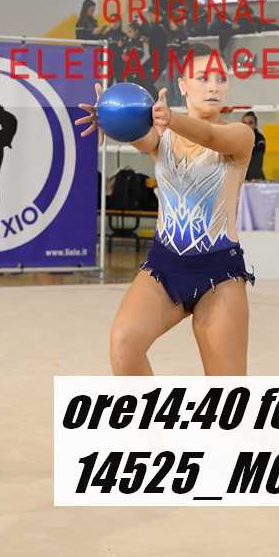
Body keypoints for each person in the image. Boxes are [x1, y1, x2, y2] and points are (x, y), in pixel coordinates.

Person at [75, 43, 256, 376]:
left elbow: (210, 137)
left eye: (221, 78)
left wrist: (170, 118)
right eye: (203, 78)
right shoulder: (162, 137)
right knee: (124, 344)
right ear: (182, 85)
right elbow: (140, 135)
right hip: (164, 266)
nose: (214, 86)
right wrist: (110, 118)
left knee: (228, 393)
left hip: (219, 272)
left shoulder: (241, 135)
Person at [242, 111, 266, 181]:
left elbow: (257, 160)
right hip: (242, 175)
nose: (247, 126)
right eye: (244, 123)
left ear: (255, 125)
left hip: (254, 176)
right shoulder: (238, 138)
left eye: (250, 123)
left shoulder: (260, 139)